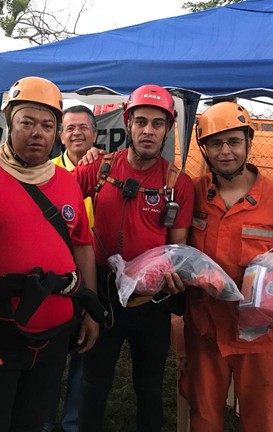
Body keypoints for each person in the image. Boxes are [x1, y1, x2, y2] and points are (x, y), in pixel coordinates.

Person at [0, 76, 102, 432]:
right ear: (9, 123)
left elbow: (82, 245)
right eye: (27, 123)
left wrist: (91, 309)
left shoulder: (66, 182)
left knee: (34, 421)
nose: (37, 133)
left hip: (52, 339)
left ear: (56, 132)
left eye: (47, 125)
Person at [73, 84, 195, 432]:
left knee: (149, 386)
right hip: (103, 295)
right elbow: (55, 195)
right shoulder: (100, 168)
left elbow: (177, 248)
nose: (148, 131)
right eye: (141, 122)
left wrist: (173, 276)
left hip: (150, 301)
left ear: (168, 129)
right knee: (94, 383)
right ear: (128, 123)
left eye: (158, 124)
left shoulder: (178, 184)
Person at [182, 101, 273, 431]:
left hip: (260, 336)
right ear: (204, 148)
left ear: (248, 143)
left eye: (234, 141)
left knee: (264, 420)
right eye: (215, 143)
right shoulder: (193, 193)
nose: (225, 151)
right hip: (206, 330)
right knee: (204, 417)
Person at [44, 105, 98, 432]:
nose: (77, 133)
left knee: (84, 352)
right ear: (60, 136)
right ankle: (44, 421)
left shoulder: (106, 169)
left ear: (95, 133)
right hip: (56, 273)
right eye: (70, 128)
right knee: (49, 357)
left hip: (93, 269)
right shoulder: (45, 172)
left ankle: (73, 423)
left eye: (83, 127)